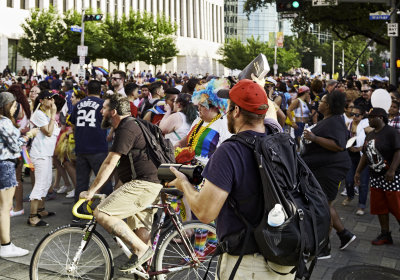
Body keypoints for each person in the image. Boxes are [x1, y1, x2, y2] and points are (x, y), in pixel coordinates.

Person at [168, 79, 295, 279]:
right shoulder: (281, 138)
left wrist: (183, 183)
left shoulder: (229, 151)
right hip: (283, 256)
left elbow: (205, 212)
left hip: (248, 264)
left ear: (235, 111)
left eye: (228, 107)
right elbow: (269, 111)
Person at [79, 94, 162, 272]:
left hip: (144, 184)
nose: (101, 112)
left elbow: (110, 163)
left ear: (113, 112)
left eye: (104, 108)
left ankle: (142, 250)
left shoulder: (126, 128)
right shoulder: (132, 125)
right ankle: (146, 271)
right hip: (146, 183)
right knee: (140, 231)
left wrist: (91, 191)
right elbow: (126, 168)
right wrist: (115, 193)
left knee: (101, 213)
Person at [302, 91, 356, 259]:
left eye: (324, 101)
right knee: (325, 205)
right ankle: (344, 234)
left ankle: (323, 248)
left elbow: (339, 145)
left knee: (322, 207)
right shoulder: (330, 120)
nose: (320, 102)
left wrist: (314, 137)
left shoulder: (335, 122)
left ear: (330, 105)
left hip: (330, 170)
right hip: (324, 169)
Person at [355, 108, 400, 245]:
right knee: (380, 206)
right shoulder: (370, 135)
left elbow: (399, 151)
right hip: (375, 177)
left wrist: (392, 170)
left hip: (391, 177)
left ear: (380, 117)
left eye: (371, 117)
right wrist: (358, 172)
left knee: (397, 206)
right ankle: (385, 234)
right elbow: (365, 155)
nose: (368, 120)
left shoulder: (391, 132)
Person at [69, 80, 112, 221]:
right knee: (103, 180)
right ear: (100, 90)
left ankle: (78, 213)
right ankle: (109, 211)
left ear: (87, 90)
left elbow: (73, 124)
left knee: (81, 182)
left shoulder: (78, 104)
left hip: (81, 147)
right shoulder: (103, 104)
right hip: (98, 146)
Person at [0, 92, 30, 258]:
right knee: (5, 208)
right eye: (13, 106)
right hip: (5, 165)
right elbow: (15, 146)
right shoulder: (4, 123)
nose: (14, 109)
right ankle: (6, 245)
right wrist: (26, 137)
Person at [28, 90, 61, 227]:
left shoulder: (46, 114)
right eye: (49, 98)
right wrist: (53, 115)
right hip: (40, 153)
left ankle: (41, 210)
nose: (52, 101)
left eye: (53, 99)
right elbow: (48, 132)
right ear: (41, 101)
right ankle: (32, 216)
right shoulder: (39, 114)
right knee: (40, 184)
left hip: (46, 153)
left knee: (47, 182)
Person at [342, 106, 369, 216]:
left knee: (363, 182)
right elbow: (344, 138)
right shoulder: (349, 124)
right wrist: (349, 147)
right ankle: (350, 195)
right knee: (349, 180)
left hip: (363, 156)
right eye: (352, 114)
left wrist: (361, 147)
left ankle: (361, 205)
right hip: (351, 155)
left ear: (362, 116)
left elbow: (371, 138)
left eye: (357, 115)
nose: (354, 116)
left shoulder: (366, 125)